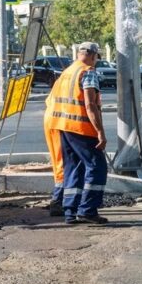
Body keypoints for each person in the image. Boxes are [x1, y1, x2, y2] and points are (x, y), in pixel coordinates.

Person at [46, 42, 108, 224]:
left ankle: (70, 212)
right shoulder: (88, 72)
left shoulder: (67, 72)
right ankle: (88, 210)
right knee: (97, 166)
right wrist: (100, 132)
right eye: (96, 58)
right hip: (81, 128)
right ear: (93, 55)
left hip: (63, 126)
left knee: (73, 168)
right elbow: (90, 105)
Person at [44, 82, 64, 216]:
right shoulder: (84, 74)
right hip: (61, 123)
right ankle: (57, 201)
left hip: (53, 120)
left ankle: (60, 200)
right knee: (63, 164)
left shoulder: (66, 76)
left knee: (60, 163)